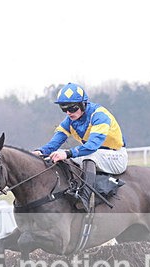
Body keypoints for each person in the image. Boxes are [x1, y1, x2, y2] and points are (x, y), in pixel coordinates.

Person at [34, 82, 127, 211]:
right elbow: (54, 143)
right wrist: (40, 151)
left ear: (83, 104)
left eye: (72, 108)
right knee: (57, 155)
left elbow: (92, 145)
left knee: (86, 155)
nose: (68, 113)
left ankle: (85, 199)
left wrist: (67, 153)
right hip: (95, 155)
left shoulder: (99, 115)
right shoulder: (69, 121)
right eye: (63, 109)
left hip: (116, 157)